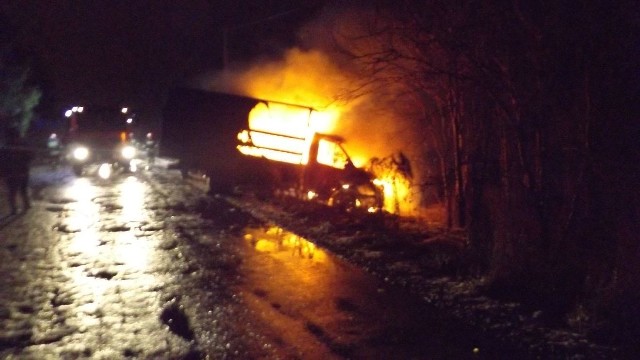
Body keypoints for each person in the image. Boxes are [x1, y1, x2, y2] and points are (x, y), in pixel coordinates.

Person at [0, 127, 34, 214]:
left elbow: (2, 160)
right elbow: (30, 156)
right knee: (22, 188)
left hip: (11, 171)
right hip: (21, 170)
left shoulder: (5, 146)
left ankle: (14, 209)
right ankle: (25, 204)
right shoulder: (22, 144)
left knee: (12, 190)